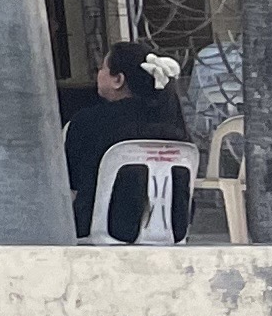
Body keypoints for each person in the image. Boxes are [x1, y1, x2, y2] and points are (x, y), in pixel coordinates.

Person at [67, 40, 190, 241]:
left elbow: (69, 181)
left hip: (103, 230)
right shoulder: (173, 121)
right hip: (173, 230)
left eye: (102, 68)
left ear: (118, 80)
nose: (98, 73)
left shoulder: (87, 121)